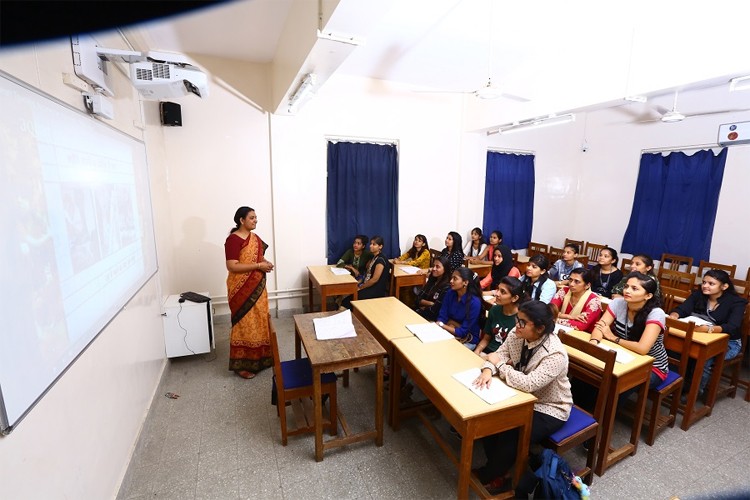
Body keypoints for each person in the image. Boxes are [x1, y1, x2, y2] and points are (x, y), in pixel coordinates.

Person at [472, 301, 573, 492]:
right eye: (518, 320)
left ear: (540, 328)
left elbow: (528, 383)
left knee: (512, 432)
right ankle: (502, 470)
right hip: (520, 396)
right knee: (488, 417)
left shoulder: (555, 354)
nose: (517, 325)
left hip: (550, 406)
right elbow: (498, 354)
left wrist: (499, 366)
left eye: (523, 322)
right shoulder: (517, 333)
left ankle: (491, 474)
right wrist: (487, 369)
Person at [669, 269, 747, 396]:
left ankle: (694, 393)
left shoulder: (736, 302)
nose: (705, 286)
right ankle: (677, 384)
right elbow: (682, 309)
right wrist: (674, 316)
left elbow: (732, 326)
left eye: (711, 284)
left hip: (729, 342)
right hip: (699, 335)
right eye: (704, 282)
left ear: (724, 286)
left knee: (704, 358)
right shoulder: (698, 295)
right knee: (675, 348)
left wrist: (709, 329)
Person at [590, 272, 669, 388]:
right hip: (623, 356)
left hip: (652, 366)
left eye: (634, 289)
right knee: (591, 371)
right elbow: (600, 327)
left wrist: (613, 338)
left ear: (648, 296)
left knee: (615, 383)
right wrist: (593, 343)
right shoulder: (618, 303)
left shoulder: (656, 313)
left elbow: (642, 349)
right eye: (626, 286)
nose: (627, 291)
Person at [224, 206, 274, 379]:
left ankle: (261, 360)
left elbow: (257, 259)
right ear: (241, 220)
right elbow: (232, 266)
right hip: (240, 291)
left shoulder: (255, 238)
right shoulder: (233, 240)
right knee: (244, 325)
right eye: (252, 218)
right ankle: (242, 365)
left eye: (256, 217)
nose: (255, 220)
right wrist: (259, 266)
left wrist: (265, 263)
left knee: (259, 321)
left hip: (257, 289)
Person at [474, 277, 527, 357]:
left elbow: (515, 352)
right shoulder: (494, 310)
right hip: (488, 351)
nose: (497, 294)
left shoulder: (521, 318)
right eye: (498, 289)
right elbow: (486, 338)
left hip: (505, 357)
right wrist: (477, 352)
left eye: (503, 292)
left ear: (514, 298)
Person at [436, 267, 483, 349]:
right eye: (451, 278)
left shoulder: (474, 302)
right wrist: (442, 324)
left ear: (465, 282)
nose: (451, 281)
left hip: (467, 339)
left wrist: (441, 325)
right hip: (449, 330)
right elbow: (442, 316)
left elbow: (462, 332)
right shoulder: (450, 293)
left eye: (455, 279)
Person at [342, 236, 390, 308]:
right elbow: (368, 274)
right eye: (371, 244)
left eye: (374, 244)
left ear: (380, 246)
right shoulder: (374, 257)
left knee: (346, 302)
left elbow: (374, 279)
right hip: (368, 285)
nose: (371, 246)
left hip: (375, 289)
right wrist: (359, 283)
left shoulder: (380, 260)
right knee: (346, 295)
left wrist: (361, 287)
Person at [550, 268, 602, 333]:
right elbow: (550, 312)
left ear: (587, 285)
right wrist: (571, 317)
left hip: (582, 336)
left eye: (577, 281)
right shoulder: (564, 291)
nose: (571, 284)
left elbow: (581, 325)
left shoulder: (594, 301)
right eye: (570, 280)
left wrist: (557, 318)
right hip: (559, 330)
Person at [414, 255, 452, 321]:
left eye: (437, 267)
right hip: (422, 313)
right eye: (433, 266)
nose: (434, 269)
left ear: (445, 269)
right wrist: (430, 303)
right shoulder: (432, 280)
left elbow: (436, 310)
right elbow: (417, 299)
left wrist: (423, 304)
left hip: (433, 319)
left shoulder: (447, 287)